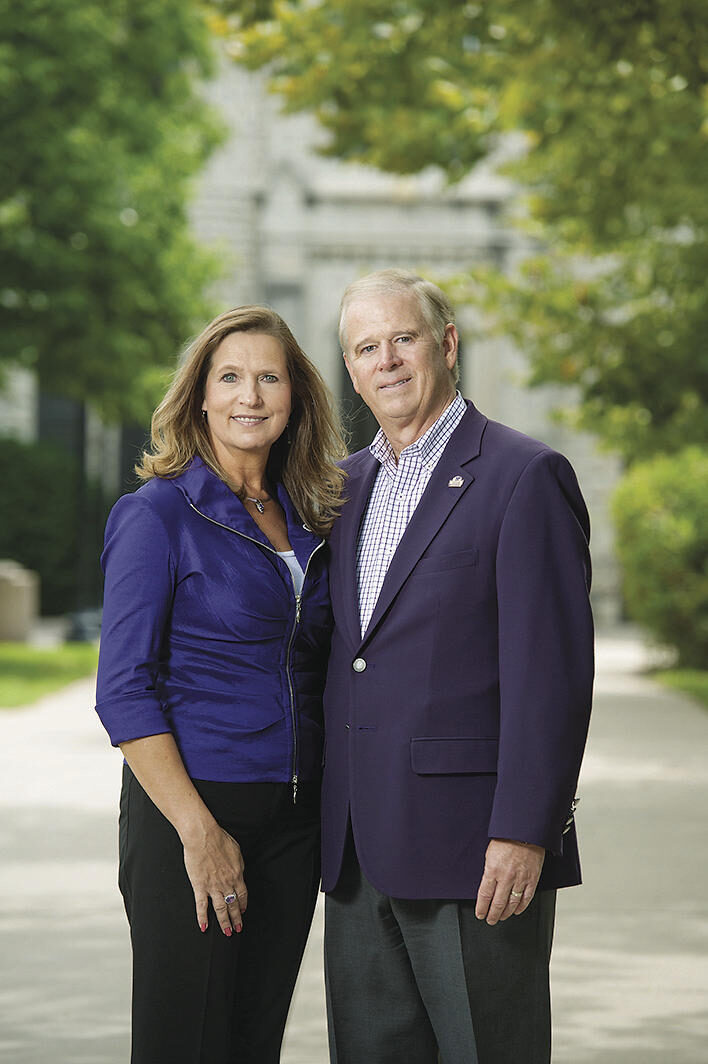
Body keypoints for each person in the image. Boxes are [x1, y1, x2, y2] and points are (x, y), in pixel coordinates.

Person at [321, 269, 594, 1064]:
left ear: (445, 344)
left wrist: (523, 830)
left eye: (403, 338)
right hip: (356, 854)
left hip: (476, 854)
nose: (387, 361)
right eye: (366, 348)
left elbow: (554, 679)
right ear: (351, 369)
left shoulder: (523, 475)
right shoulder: (342, 488)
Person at [95, 306, 345, 1064]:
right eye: (230, 376)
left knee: (252, 1044)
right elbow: (124, 689)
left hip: (293, 819)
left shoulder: (310, 516)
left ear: (296, 395)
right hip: (195, 809)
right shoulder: (157, 514)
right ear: (199, 395)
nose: (250, 395)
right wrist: (199, 834)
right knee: (188, 1045)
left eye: (269, 377)